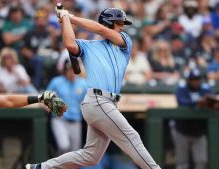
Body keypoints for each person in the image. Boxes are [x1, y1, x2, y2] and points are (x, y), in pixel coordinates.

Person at [26, 6, 160, 169]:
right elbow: (70, 43)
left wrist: (70, 17)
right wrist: (66, 20)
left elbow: (100, 30)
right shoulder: (88, 45)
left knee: (90, 156)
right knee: (132, 137)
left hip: (107, 103)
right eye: (118, 23)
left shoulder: (125, 42)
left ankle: (41, 167)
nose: (122, 26)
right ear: (108, 22)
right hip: (98, 101)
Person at [172, 69, 214, 169]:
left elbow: (215, 101)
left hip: (199, 132)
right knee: (182, 164)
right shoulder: (182, 89)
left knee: (201, 162)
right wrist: (197, 102)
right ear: (189, 80)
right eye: (193, 79)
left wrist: (208, 101)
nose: (195, 81)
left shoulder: (205, 90)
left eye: (197, 79)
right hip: (182, 131)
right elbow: (181, 102)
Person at [48, 57, 87, 155]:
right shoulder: (56, 81)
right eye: (69, 69)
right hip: (59, 119)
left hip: (76, 121)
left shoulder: (83, 84)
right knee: (64, 146)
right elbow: (45, 98)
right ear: (65, 70)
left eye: (74, 69)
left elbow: (88, 103)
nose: (72, 71)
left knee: (75, 153)